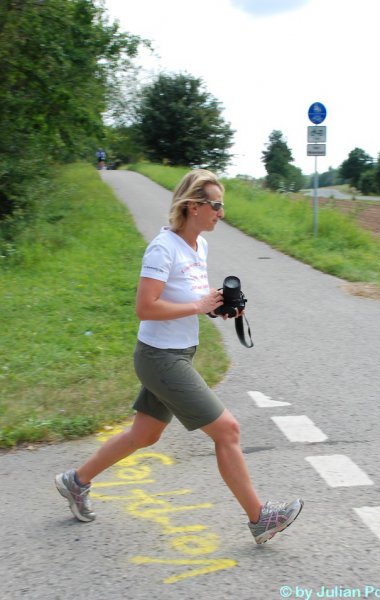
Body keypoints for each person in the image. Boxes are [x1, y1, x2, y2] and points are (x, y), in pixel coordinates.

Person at [55, 169, 303, 544]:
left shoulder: (198, 247)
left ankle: (76, 481)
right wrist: (197, 305)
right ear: (193, 206)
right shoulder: (163, 248)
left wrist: (216, 307)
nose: (221, 213)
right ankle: (260, 518)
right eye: (215, 205)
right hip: (160, 358)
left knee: (145, 434)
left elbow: (189, 300)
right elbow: (145, 307)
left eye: (221, 206)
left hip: (178, 354)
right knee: (228, 430)